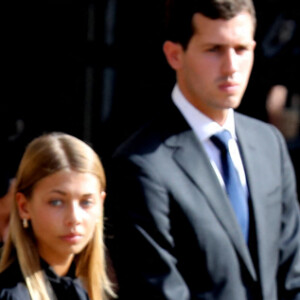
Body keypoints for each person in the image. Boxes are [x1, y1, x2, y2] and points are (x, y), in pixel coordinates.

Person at [105, 0, 300, 299]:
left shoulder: (269, 144)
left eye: (241, 49)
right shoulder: (141, 164)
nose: (231, 67)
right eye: (214, 50)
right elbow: (158, 291)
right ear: (174, 55)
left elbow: (292, 275)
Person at [0, 132, 116, 300]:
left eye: (86, 202)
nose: (74, 218)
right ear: (24, 206)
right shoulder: (11, 294)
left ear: (101, 204)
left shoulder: (84, 291)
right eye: (56, 202)